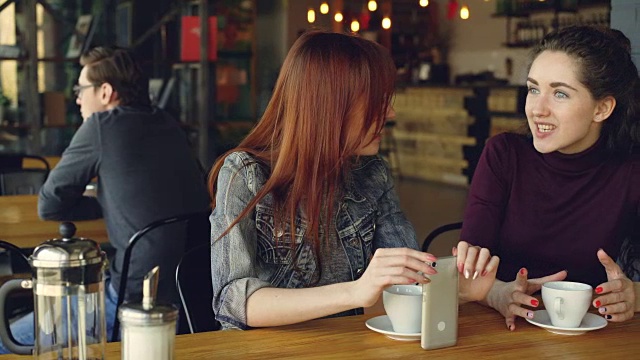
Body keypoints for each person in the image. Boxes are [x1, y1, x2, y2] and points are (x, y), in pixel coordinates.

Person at [208, 31, 499, 330]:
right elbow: (233, 301)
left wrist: (467, 290)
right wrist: (356, 291)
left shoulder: (372, 173)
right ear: (332, 105)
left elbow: (408, 279)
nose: (391, 113)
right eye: (377, 101)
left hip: (346, 344)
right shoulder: (245, 174)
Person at [11, 46, 211, 349]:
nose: (77, 97)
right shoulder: (169, 124)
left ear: (105, 91)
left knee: (6, 337)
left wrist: (102, 203)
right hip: (190, 299)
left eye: (81, 88)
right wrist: (113, 202)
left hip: (131, 299)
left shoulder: (100, 127)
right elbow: (195, 195)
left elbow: (50, 204)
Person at [457, 26, 640, 331]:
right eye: (533, 89)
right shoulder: (503, 155)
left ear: (602, 108)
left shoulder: (631, 171)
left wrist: (634, 294)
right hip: (502, 330)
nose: (537, 109)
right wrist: (497, 294)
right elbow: (470, 269)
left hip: (590, 337)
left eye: (559, 93)